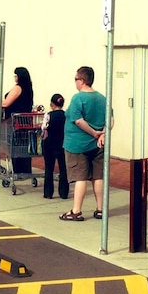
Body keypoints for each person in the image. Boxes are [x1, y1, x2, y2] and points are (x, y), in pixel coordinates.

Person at [59, 66, 110, 221]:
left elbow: (78, 121)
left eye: (76, 79)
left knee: (80, 177)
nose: (75, 82)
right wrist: (103, 134)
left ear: (82, 81)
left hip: (77, 145)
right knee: (98, 176)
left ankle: (76, 211)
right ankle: (101, 209)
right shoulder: (102, 98)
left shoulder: (78, 98)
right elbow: (111, 119)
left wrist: (94, 133)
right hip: (97, 145)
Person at [0, 66, 34, 176]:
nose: (15, 77)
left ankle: (18, 171)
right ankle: (25, 170)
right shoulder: (29, 88)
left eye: (16, 75)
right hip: (25, 121)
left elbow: (6, 103)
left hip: (16, 122)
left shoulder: (18, 88)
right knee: (24, 146)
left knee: (15, 146)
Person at [42, 93, 69, 200]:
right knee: (63, 168)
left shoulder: (48, 115)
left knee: (49, 168)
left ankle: (48, 193)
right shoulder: (66, 115)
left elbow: (44, 127)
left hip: (49, 144)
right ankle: (63, 193)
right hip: (62, 144)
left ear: (51, 104)